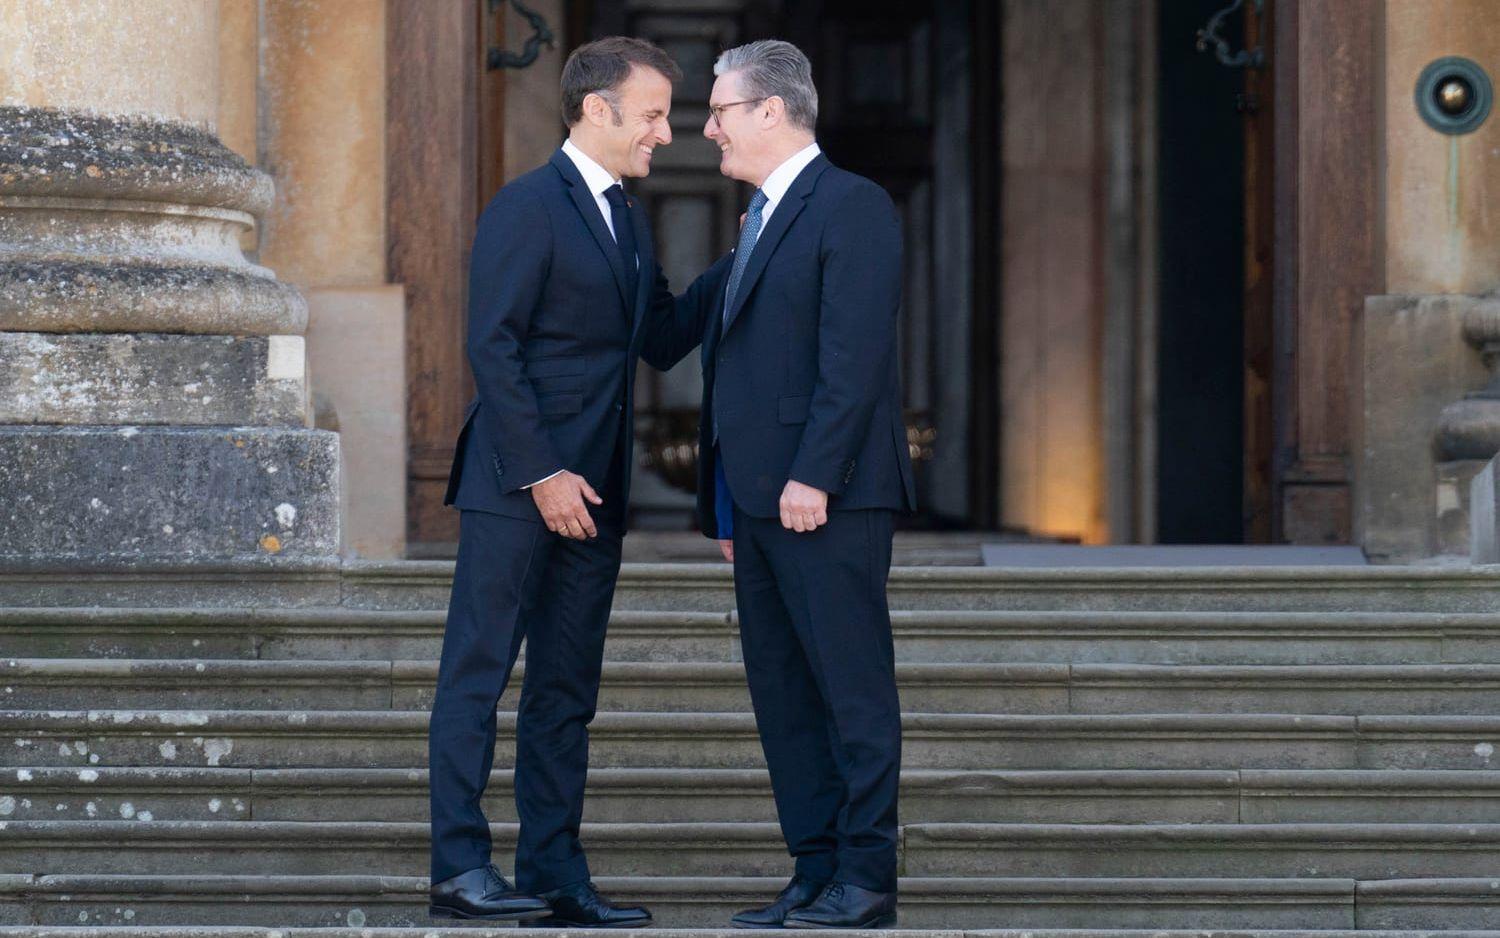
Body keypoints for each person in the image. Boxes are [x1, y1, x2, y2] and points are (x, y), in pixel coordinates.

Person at [644, 38, 917, 930]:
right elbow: (680, 331)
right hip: (755, 506)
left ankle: (866, 879)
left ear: (771, 110)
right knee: (785, 699)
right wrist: (599, 216)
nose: (708, 128)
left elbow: (855, 359)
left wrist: (814, 476)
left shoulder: (854, 206)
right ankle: (815, 869)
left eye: (720, 110)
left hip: (822, 498)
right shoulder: (758, 223)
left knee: (850, 690)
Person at [426, 36, 682, 927]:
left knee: (566, 688)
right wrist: (542, 473)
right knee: (478, 674)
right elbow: (492, 344)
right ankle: (459, 869)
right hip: (516, 482)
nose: (667, 132)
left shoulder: (630, 218)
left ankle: (553, 871)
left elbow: (660, 337)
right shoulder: (526, 205)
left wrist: (755, 252)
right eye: (652, 113)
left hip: (597, 493)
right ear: (597, 109)